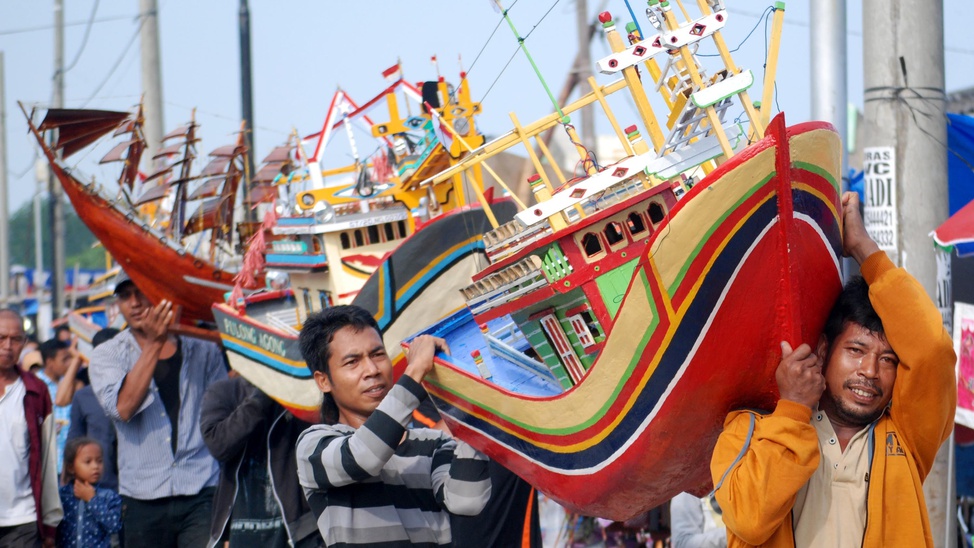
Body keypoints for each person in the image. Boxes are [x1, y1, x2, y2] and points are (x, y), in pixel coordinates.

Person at [710, 192, 956, 547]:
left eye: (887, 359)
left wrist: (864, 250)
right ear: (823, 350)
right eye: (856, 350)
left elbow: (932, 349)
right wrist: (793, 410)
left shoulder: (906, 435)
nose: (870, 370)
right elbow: (750, 520)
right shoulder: (745, 432)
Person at [295, 305, 491, 547]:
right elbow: (364, 456)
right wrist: (416, 372)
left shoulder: (432, 442)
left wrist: (477, 408)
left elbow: (466, 501)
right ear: (323, 381)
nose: (372, 370)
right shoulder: (314, 445)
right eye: (352, 362)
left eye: (377, 354)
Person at [88, 271, 227, 547]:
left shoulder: (203, 349)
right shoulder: (107, 354)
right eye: (125, 296)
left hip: (201, 489)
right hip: (141, 496)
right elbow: (123, 408)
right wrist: (154, 343)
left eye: (141, 292)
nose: (135, 303)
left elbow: (222, 413)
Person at [200, 375, 321, 548]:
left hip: (298, 529)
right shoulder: (225, 390)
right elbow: (219, 444)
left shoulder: (305, 390)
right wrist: (262, 395)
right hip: (241, 530)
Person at [0, 308, 62, 547]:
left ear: (24, 344)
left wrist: (49, 525)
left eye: (15, 339)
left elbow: (47, 460)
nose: (7, 346)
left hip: (24, 518)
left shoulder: (36, 391)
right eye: (1, 338)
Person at [67, 328, 121, 491]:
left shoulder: (139, 391)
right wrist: (70, 478)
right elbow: (75, 439)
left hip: (134, 481)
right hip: (98, 483)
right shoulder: (83, 396)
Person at [56, 437, 121, 548]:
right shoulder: (62, 496)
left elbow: (114, 526)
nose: (95, 466)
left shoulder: (109, 497)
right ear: (71, 467)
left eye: (99, 461)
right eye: (88, 462)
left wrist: (92, 499)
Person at [37, 338, 81, 473]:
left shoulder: (72, 382)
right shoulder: (36, 385)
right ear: (49, 362)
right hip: (48, 463)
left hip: (71, 462)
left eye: (70, 359)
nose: (68, 364)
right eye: (64, 359)